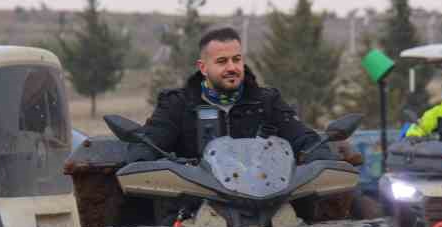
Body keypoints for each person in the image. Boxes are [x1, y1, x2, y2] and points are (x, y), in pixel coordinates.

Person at [138, 26, 326, 161]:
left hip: (264, 197)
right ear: (203, 67)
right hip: (196, 202)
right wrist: (142, 156)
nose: (232, 67)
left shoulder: (267, 101)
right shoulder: (177, 104)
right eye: (222, 61)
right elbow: (151, 144)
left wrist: (321, 156)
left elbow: (302, 138)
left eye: (236, 59)